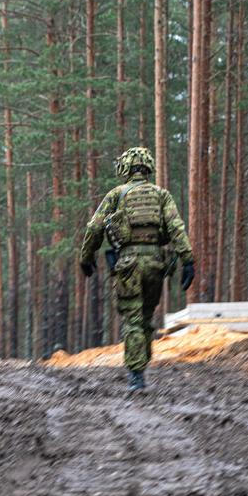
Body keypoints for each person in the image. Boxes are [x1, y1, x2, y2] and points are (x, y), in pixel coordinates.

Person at [79, 147, 195, 393]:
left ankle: (136, 375)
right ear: (147, 167)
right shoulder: (161, 195)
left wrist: (86, 256)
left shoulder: (116, 195)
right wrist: (187, 260)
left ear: (125, 169)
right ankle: (142, 361)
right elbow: (176, 227)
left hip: (128, 264)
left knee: (132, 319)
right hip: (155, 263)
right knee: (145, 316)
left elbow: (95, 227)